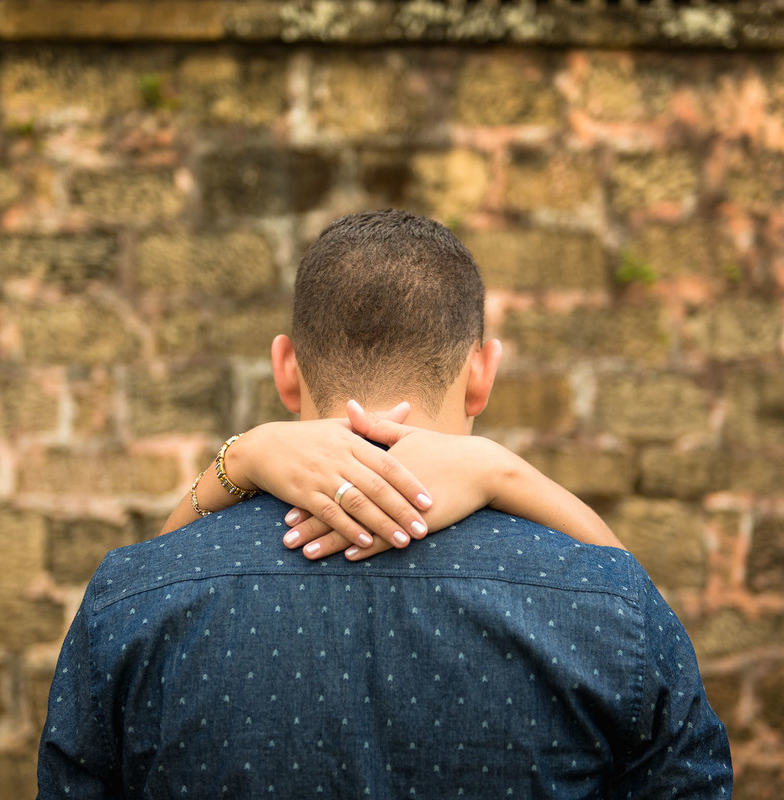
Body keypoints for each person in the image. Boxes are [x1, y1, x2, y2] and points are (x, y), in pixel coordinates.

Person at [37, 210, 732, 798]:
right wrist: (504, 471)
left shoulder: (129, 598)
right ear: (481, 374)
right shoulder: (609, 603)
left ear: (286, 368)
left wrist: (238, 459)